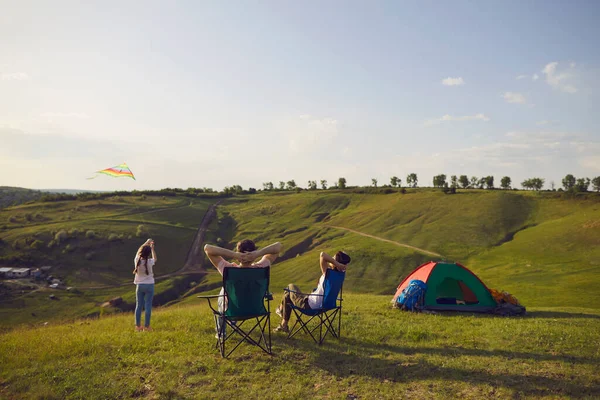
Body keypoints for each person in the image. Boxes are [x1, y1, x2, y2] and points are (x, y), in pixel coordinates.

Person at [204, 239, 282, 338]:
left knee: (224, 291)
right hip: (255, 310)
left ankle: (221, 332)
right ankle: (232, 322)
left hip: (232, 311)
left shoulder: (227, 269)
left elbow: (207, 248)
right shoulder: (262, 267)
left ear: (238, 257)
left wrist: (234, 254)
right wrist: (258, 254)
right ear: (253, 256)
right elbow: (278, 246)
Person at [274, 251, 350, 333]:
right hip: (324, 306)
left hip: (309, 306)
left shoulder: (327, 274)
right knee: (288, 295)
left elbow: (322, 255)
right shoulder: (340, 276)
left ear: (337, 263)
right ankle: (283, 323)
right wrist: (338, 264)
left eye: (333, 258)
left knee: (290, 287)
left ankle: (281, 312)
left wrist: (337, 264)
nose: (331, 259)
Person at [133, 238, 157, 332]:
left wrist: (146, 242)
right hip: (149, 285)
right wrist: (152, 248)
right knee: (148, 306)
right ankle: (147, 327)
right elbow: (155, 258)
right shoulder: (150, 262)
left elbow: (138, 251)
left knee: (139, 305)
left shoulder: (137, 261)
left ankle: (138, 326)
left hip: (139, 285)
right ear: (149, 253)